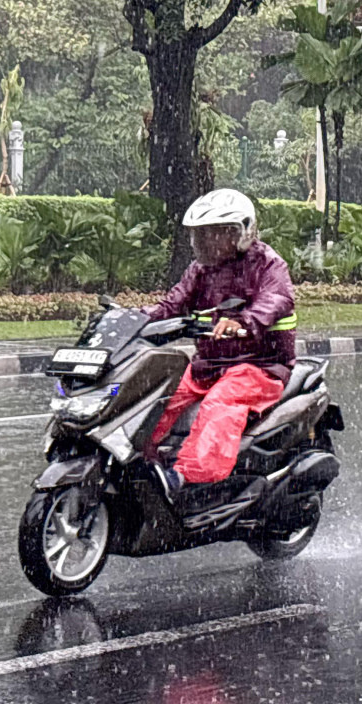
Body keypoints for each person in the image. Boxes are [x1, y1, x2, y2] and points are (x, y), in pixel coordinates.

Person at [142, 188, 296, 502]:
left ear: (241, 233)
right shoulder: (201, 269)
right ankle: (143, 461)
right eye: (202, 235)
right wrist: (133, 319)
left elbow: (276, 299)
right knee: (155, 397)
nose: (207, 242)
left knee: (220, 405)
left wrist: (244, 322)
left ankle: (184, 476)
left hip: (259, 366)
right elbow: (172, 304)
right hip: (207, 366)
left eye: (216, 234)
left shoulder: (268, 265)